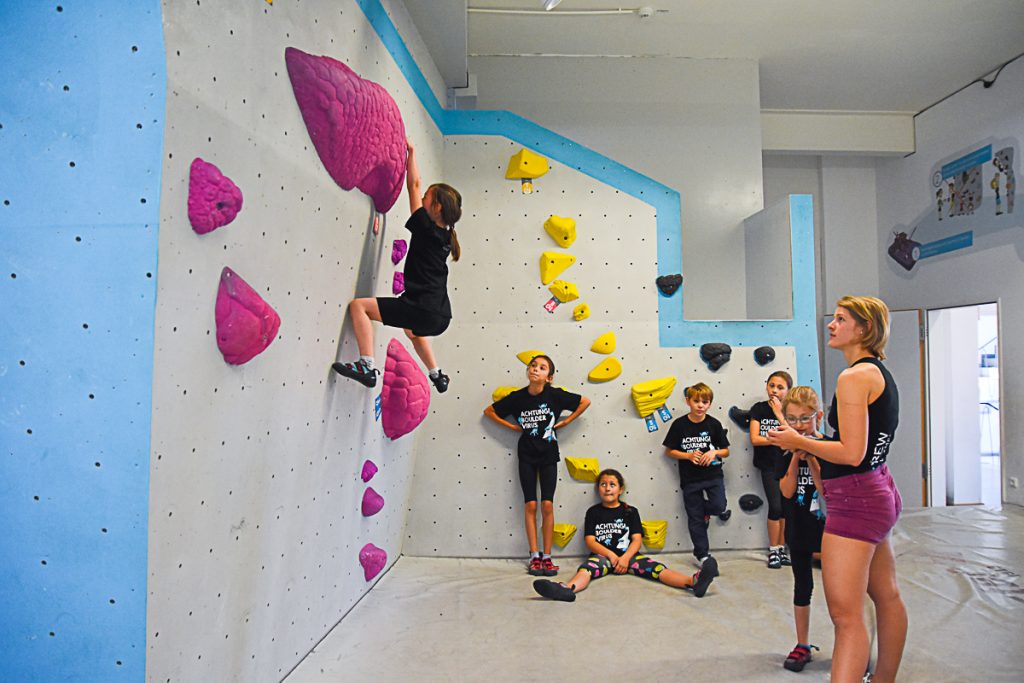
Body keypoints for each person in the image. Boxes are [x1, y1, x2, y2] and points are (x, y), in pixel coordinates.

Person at [768, 296, 907, 683]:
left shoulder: (853, 377)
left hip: (856, 501)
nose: (831, 324)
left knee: (846, 619)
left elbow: (851, 453)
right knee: (886, 595)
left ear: (863, 328)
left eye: (842, 319)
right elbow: (864, 449)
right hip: (878, 489)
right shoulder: (878, 373)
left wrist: (798, 440)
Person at [332, 138, 462, 393]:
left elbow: (414, 185)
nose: (421, 198)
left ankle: (366, 366)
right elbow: (418, 189)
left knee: (359, 307)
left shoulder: (425, 229)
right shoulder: (447, 238)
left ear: (436, 208)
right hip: (441, 317)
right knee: (411, 331)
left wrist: (411, 153)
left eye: (426, 198)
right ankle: (437, 374)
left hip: (422, 309)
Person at [532, 468, 718, 601]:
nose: (607, 488)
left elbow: (637, 539)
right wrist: (612, 556)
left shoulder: (630, 511)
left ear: (620, 489)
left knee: (658, 570)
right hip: (603, 557)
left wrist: (626, 558)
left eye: (612, 484)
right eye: (603, 484)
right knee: (586, 570)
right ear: (598, 489)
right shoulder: (593, 512)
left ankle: (693, 582)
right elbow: (590, 541)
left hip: (630, 557)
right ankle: (567, 589)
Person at [485, 355, 590, 576]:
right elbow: (489, 411)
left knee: (547, 505)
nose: (535, 369)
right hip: (526, 455)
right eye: (533, 365)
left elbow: (585, 402)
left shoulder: (555, 395)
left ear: (548, 377)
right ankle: (534, 556)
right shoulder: (517, 398)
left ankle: (547, 557)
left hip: (549, 454)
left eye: (542, 368)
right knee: (531, 505)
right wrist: (512, 428)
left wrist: (566, 421)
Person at [777, 386, 827, 673]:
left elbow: (826, 492)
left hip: (830, 531)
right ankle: (802, 644)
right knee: (802, 586)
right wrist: (796, 456)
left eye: (805, 418)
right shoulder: (784, 452)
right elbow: (786, 491)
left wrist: (813, 456)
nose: (799, 425)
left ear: (817, 416)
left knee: (838, 590)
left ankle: (849, 643)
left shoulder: (830, 447)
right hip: (798, 529)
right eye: (792, 419)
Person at [663, 382, 731, 567]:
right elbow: (669, 451)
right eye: (696, 401)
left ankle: (704, 512)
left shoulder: (714, 424)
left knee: (719, 506)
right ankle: (702, 555)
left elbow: (726, 451)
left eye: (705, 402)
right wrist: (688, 455)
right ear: (688, 401)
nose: (700, 405)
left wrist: (713, 453)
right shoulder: (679, 425)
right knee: (695, 519)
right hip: (690, 479)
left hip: (713, 476)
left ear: (710, 404)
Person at [747, 370, 794, 568]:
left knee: (786, 508)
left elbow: (794, 436)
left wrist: (779, 414)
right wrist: (778, 439)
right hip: (768, 465)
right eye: (771, 385)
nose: (774, 390)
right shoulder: (759, 409)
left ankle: (782, 548)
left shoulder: (791, 409)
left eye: (780, 387)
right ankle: (774, 549)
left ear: (788, 390)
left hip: (789, 465)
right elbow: (755, 439)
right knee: (775, 506)